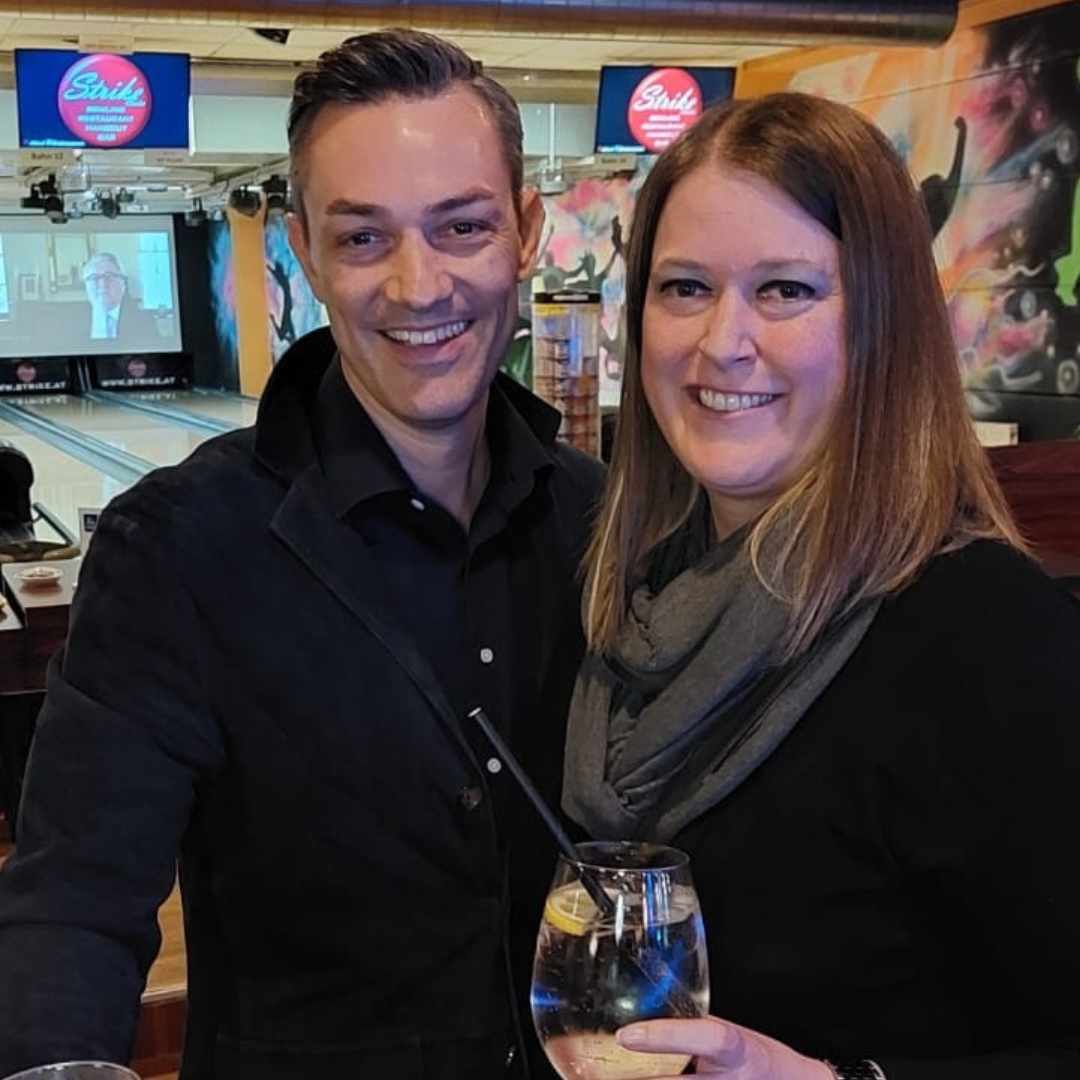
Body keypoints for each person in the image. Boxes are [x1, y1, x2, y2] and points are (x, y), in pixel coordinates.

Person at [0, 28, 603, 1080]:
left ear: (527, 232)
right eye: (364, 237)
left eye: (462, 226)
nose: (419, 285)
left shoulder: (601, 518)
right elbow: (72, 902)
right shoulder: (178, 547)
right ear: (305, 251)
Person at [562, 91, 1080, 1080]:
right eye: (685, 287)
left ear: (883, 322)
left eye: (786, 290)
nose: (723, 342)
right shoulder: (626, 597)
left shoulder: (981, 633)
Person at [81, 251, 160, 348]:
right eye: (94, 277)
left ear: (123, 284)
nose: (103, 284)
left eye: (109, 276)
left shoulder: (144, 321)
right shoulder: (73, 321)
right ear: (86, 286)